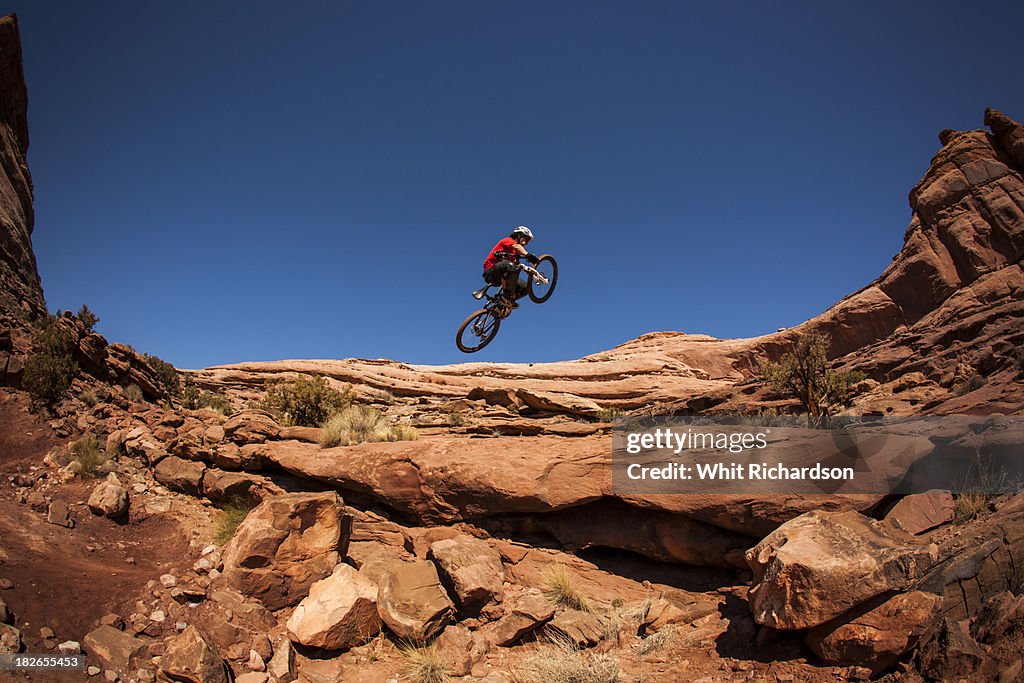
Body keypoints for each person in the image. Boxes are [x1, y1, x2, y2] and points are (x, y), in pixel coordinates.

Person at [482, 226, 541, 308]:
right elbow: (517, 247)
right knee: (509, 265)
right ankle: (506, 296)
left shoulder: (515, 254)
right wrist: (527, 254)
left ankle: (505, 304)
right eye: (526, 239)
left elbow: (518, 265)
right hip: (491, 272)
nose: (526, 243)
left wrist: (528, 271)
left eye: (528, 241)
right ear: (519, 235)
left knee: (526, 287)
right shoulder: (508, 241)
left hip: (503, 274)